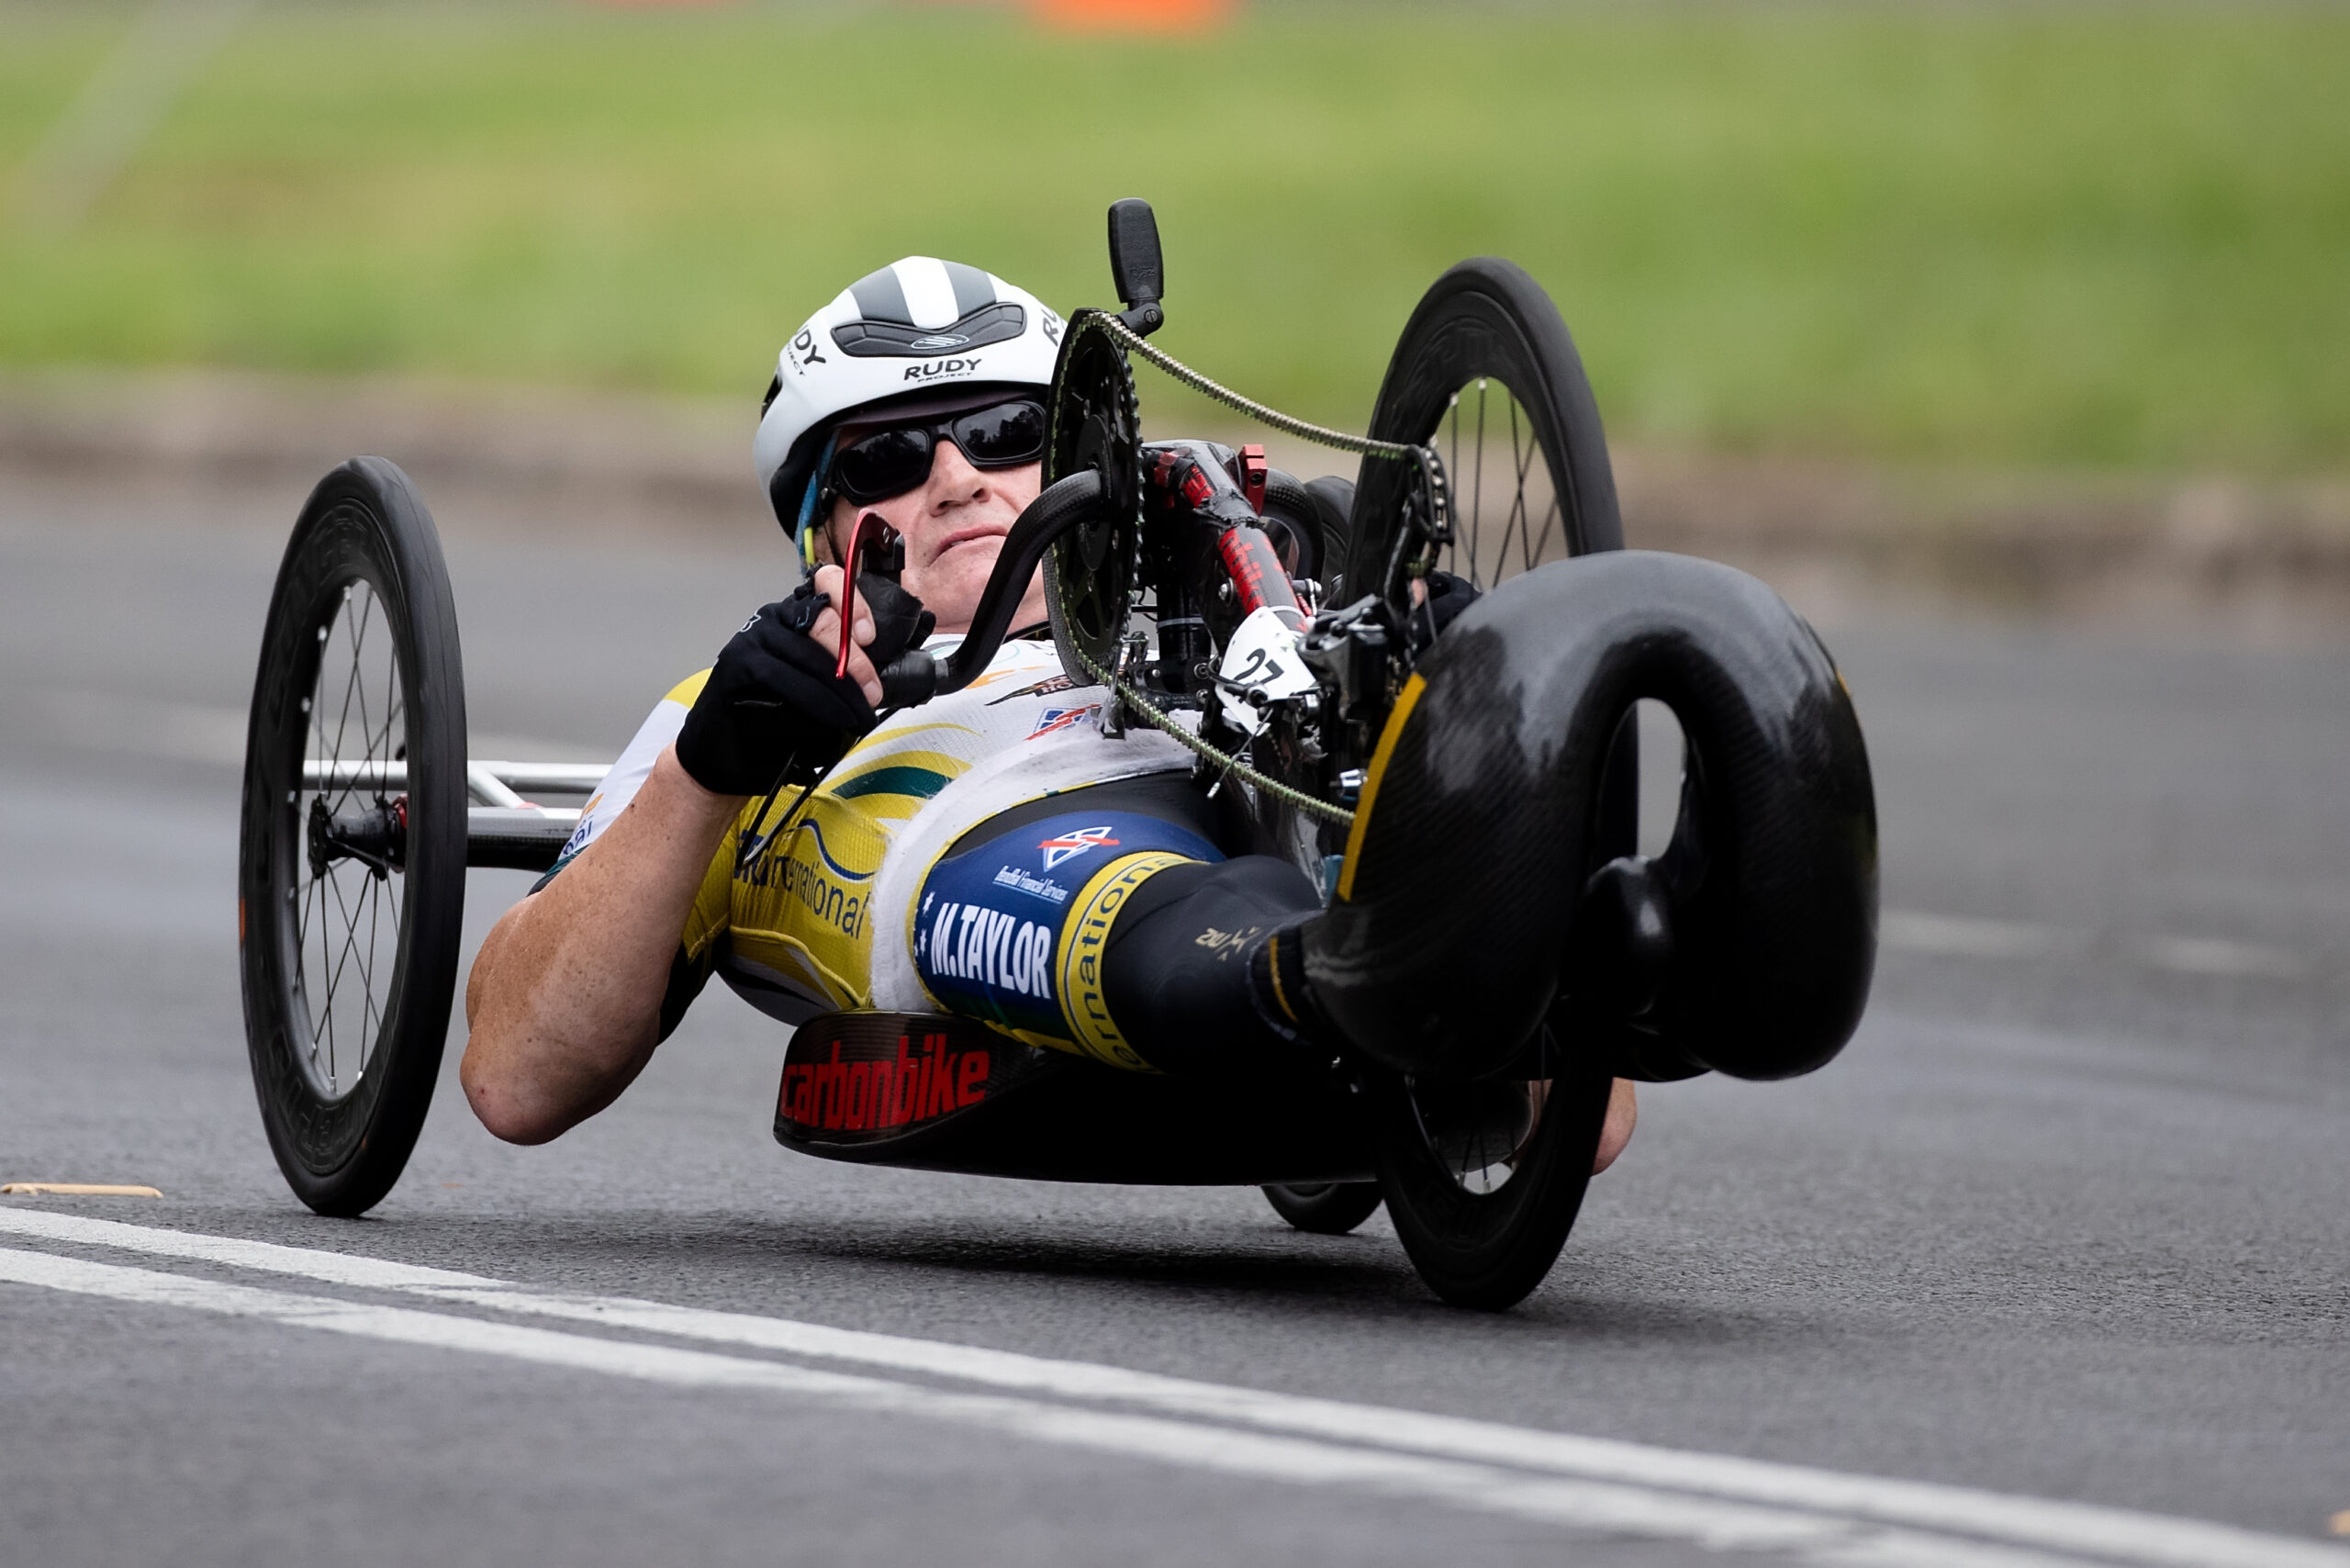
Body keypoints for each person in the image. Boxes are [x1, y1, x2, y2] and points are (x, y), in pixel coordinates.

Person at [459, 257, 1638, 1169]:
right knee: (1178, 912)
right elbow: (515, 1076)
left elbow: (1590, 1124)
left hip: (1242, 777)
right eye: (889, 459)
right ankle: (1329, 974)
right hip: (994, 839)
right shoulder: (730, 710)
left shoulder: (1226, 596)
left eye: (1003, 435)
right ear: (821, 527)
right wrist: (706, 774)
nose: (961, 476)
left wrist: (1450, 710)